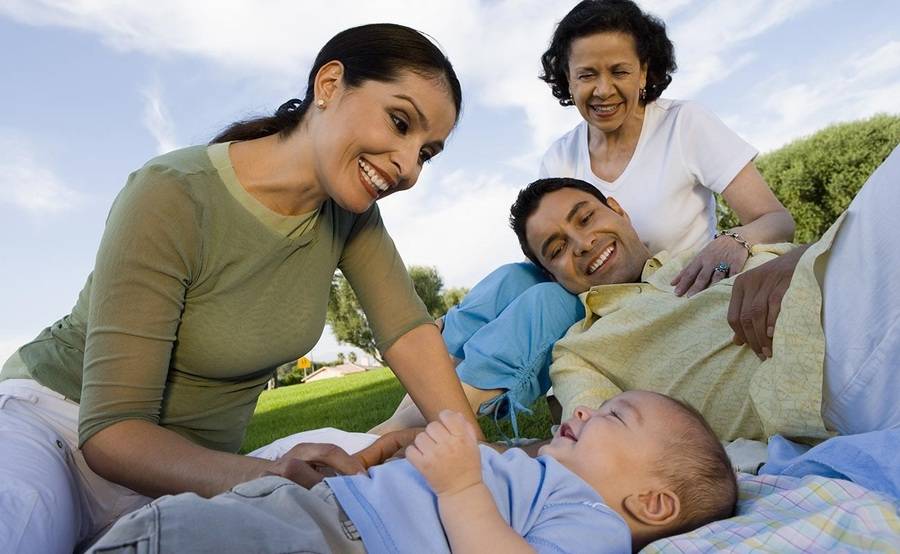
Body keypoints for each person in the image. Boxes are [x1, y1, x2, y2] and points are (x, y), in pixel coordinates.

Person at [0, 23, 483, 554]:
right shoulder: (173, 193)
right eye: (399, 122)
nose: (409, 167)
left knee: (388, 492)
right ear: (329, 85)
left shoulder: (352, 218)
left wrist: (478, 458)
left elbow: (409, 334)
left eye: (427, 153)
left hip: (197, 470)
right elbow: (112, 434)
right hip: (57, 431)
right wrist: (270, 475)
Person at [375, 0, 794, 434]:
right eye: (587, 75)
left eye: (619, 71)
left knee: (547, 301)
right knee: (514, 278)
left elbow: (775, 219)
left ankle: (429, 425)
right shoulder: (561, 154)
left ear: (645, 72)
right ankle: (414, 398)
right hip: (597, 299)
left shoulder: (684, 124)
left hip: (664, 300)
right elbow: (549, 249)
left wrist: (736, 240)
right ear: (567, 81)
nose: (603, 89)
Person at [512, 145, 900, 443]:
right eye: (557, 249)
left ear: (618, 210)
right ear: (551, 275)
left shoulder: (712, 252)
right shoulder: (580, 349)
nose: (582, 243)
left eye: (586, 217)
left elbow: (826, 256)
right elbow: (596, 439)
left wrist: (795, 258)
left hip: (853, 294)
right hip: (823, 379)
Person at [88, 390, 737, 553]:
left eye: (616, 419)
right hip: (315, 510)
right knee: (182, 528)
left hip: (335, 539)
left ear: (652, 505)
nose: (589, 408)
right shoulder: (543, 470)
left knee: (184, 537)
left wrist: (458, 483)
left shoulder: (595, 521)